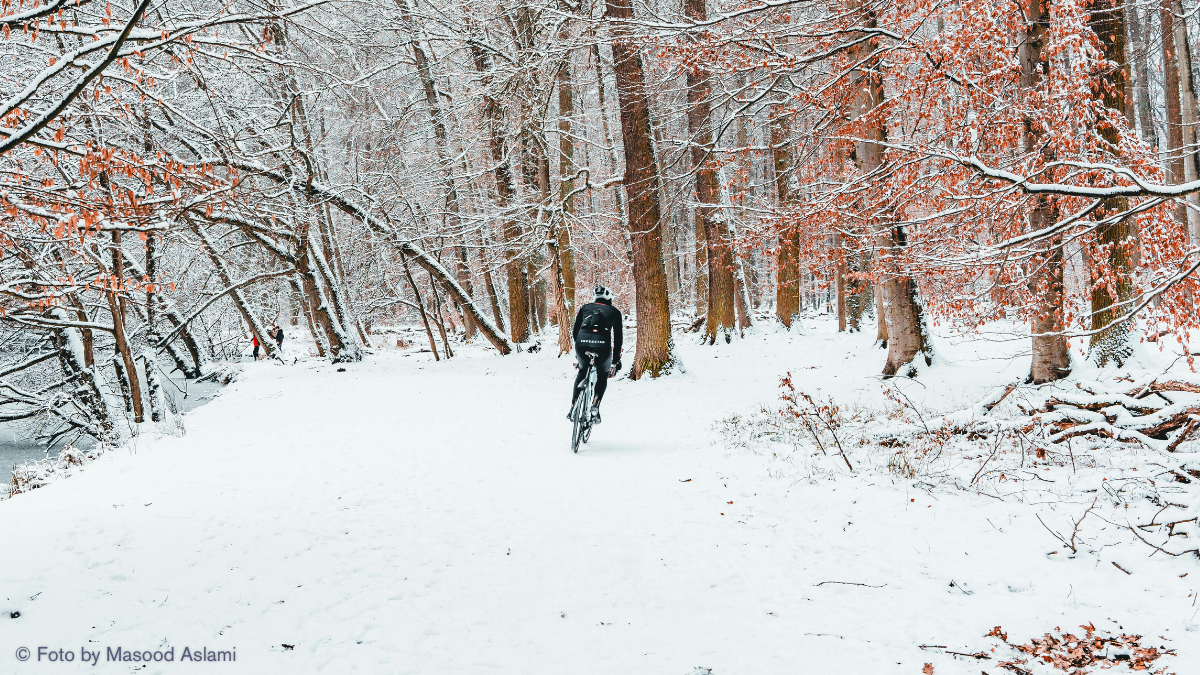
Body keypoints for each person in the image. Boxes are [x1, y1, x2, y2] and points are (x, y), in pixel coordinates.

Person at [568, 284, 622, 424]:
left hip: (581, 344)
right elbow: (618, 339)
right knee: (602, 374)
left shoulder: (585, 308)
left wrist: (579, 349)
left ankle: (573, 406)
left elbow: (575, 331)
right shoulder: (615, 311)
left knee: (582, 370)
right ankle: (595, 405)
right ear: (609, 298)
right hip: (603, 346)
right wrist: (616, 360)